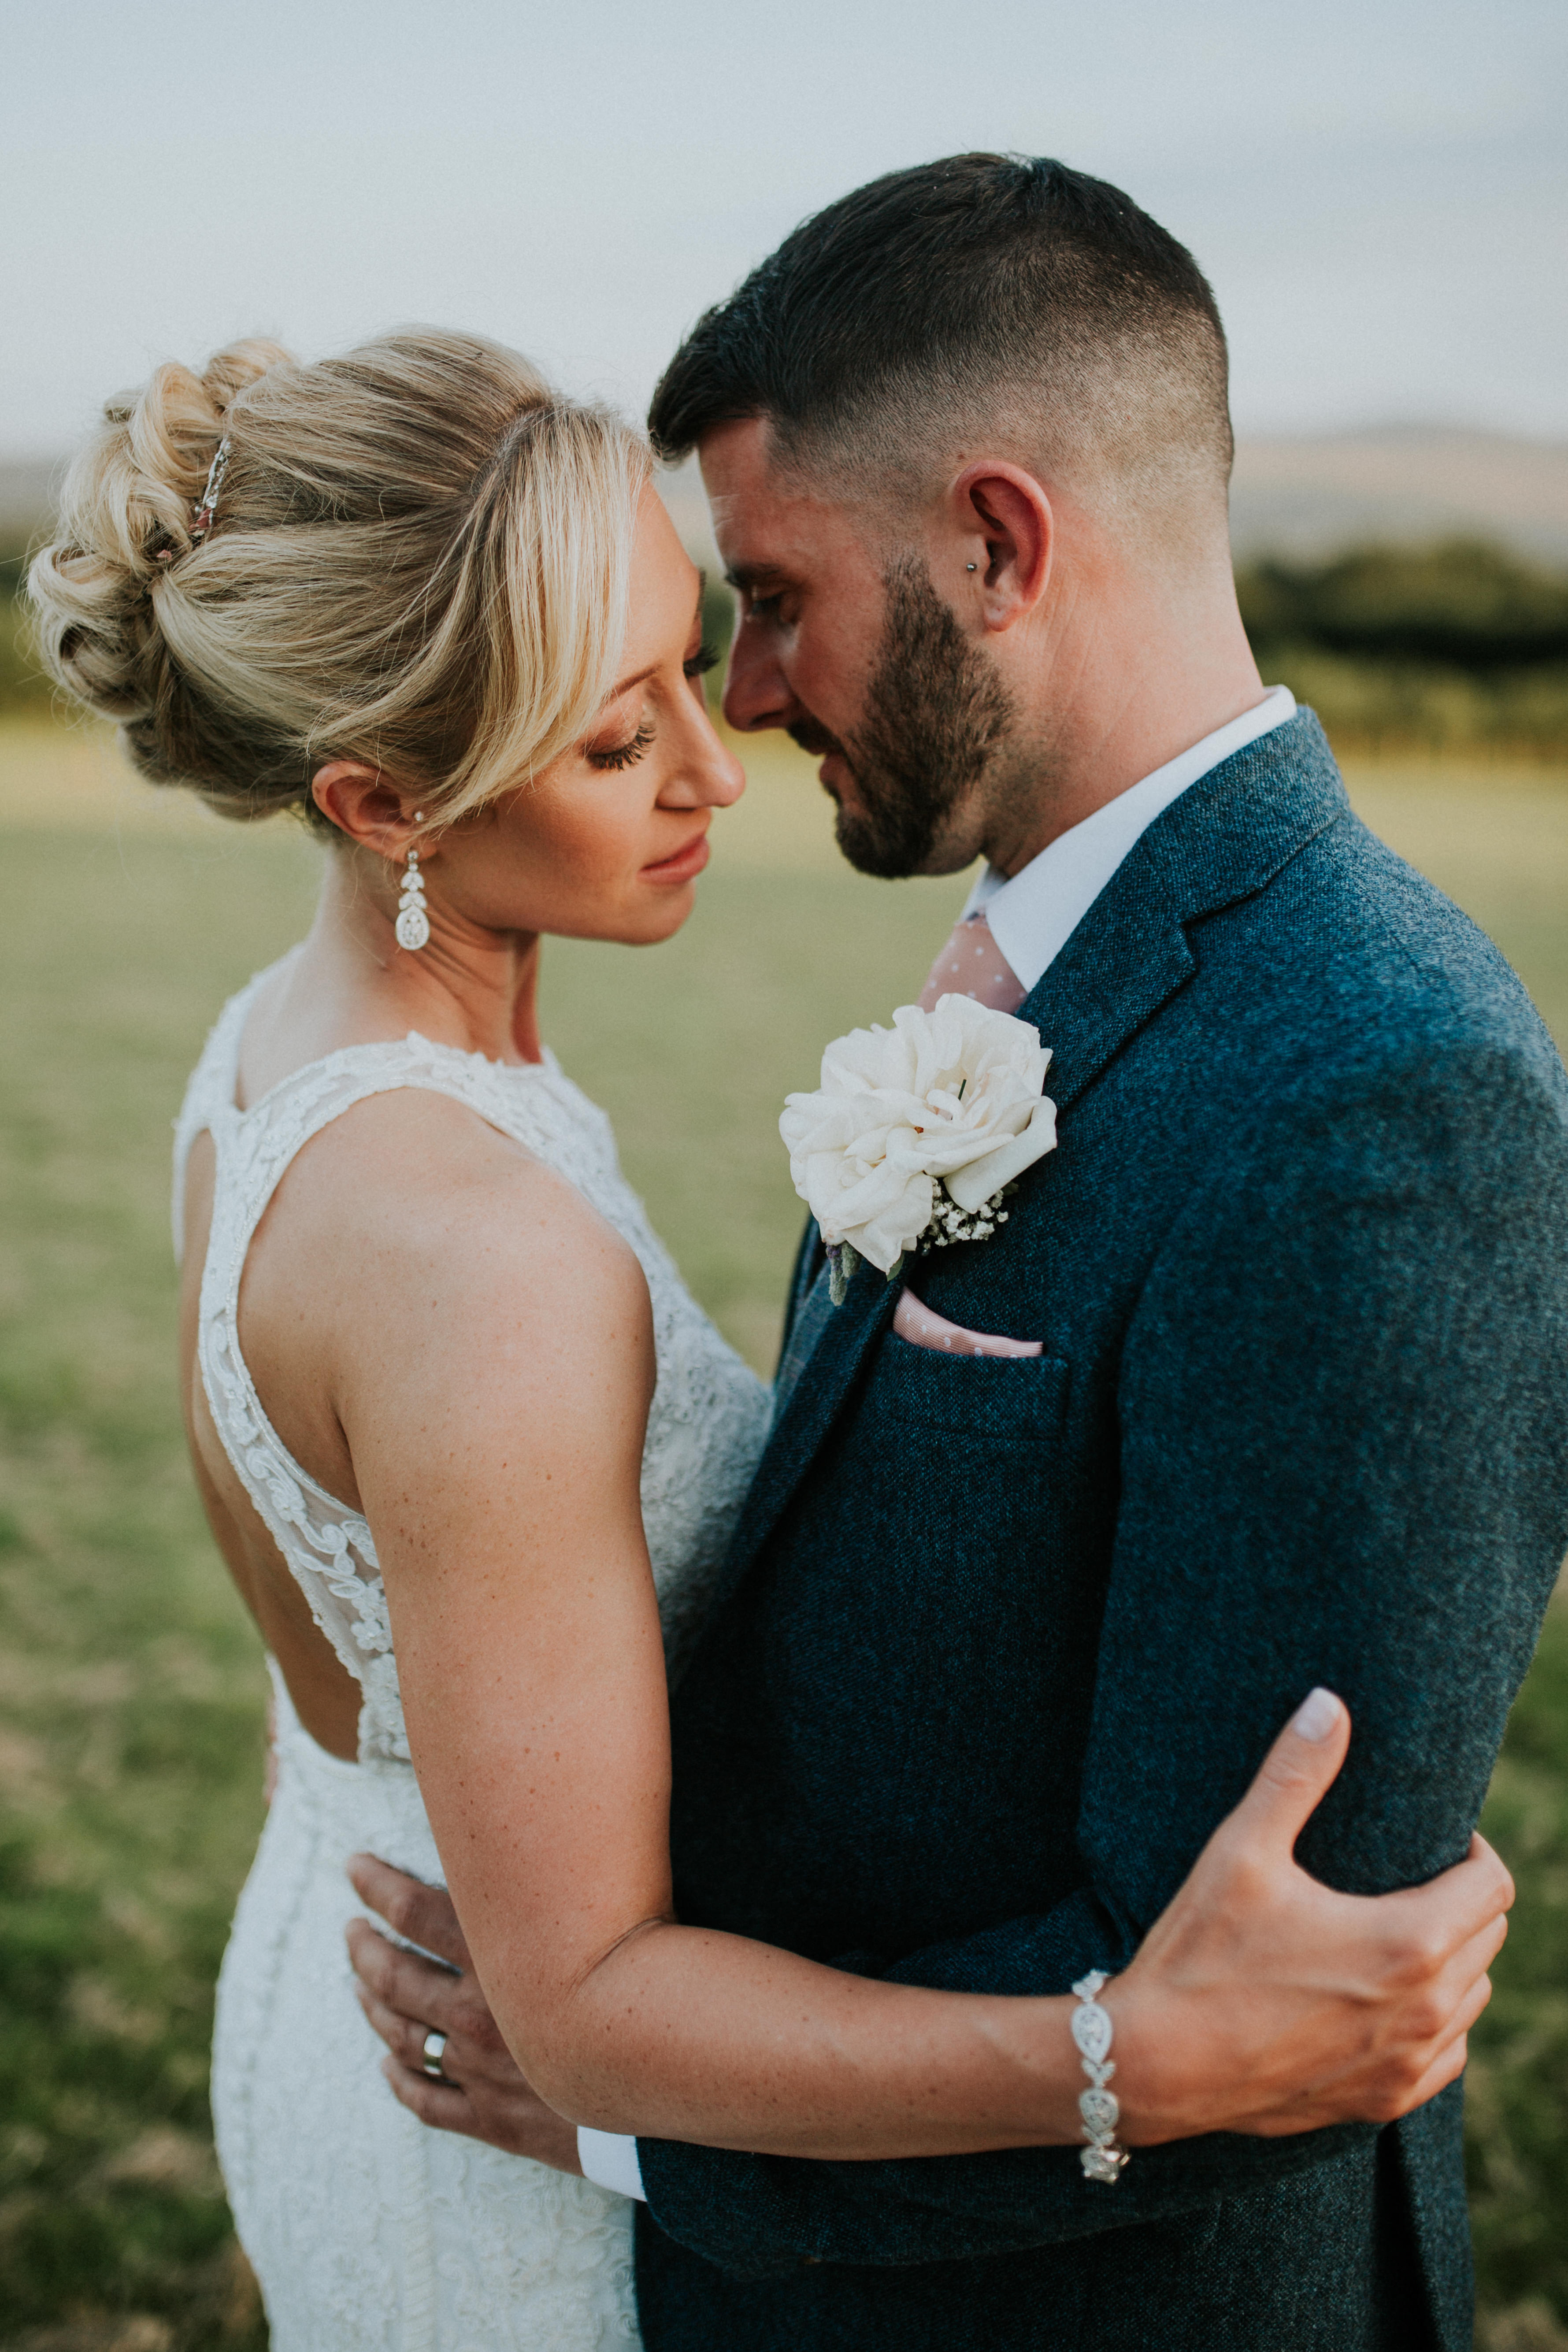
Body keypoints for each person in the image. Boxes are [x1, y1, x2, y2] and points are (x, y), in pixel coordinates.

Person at [344, 161, 1568, 2350]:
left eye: (778, 595)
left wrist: (628, 2101)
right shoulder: (1031, 966)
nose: (750, 692)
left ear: (995, 545)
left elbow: (1277, 2016)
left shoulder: (1380, 1086)